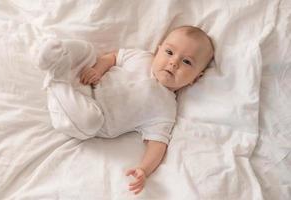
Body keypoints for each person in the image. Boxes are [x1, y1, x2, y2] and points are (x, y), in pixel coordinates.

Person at [37, 25, 214, 195]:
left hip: (84, 116)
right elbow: (112, 57)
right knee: (88, 52)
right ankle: (53, 52)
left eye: (187, 62)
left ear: (195, 78)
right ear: (158, 50)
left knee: (90, 121)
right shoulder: (142, 58)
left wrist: (144, 169)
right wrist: (97, 70)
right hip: (84, 81)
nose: (173, 62)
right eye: (169, 52)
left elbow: (158, 144)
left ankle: (56, 82)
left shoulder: (166, 108)